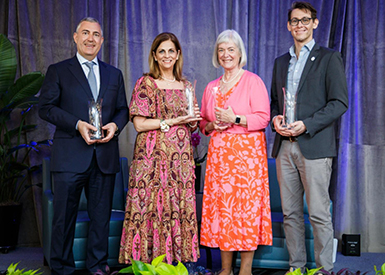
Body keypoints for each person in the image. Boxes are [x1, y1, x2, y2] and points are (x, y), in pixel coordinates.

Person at [39, 17, 129, 274]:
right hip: (70, 156)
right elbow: (46, 108)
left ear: (102, 41)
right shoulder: (58, 70)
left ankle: (97, 266)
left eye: (96, 34)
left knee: (100, 218)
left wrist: (115, 126)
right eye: (85, 33)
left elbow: (123, 109)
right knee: (63, 219)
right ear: (76, 38)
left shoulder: (114, 73)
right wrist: (77, 123)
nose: (91, 38)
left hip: (105, 156)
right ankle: (62, 268)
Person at [270, 2, 349, 272]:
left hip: (314, 146)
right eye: (294, 21)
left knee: (318, 214)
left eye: (305, 20)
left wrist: (307, 125)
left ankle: (324, 270)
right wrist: (275, 118)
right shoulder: (281, 62)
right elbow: (274, 102)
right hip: (285, 148)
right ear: (289, 25)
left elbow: (339, 103)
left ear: (315, 23)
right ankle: (297, 268)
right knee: (290, 215)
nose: (299, 25)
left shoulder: (329, 58)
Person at [119, 32, 201, 265]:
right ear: (154, 56)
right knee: (151, 208)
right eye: (161, 51)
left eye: (171, 51)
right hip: (151, 159)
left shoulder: (186, 85)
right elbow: (139, 124)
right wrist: (171, 122)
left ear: (177, 55)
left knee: (177, 207)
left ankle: (175, 263)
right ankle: (146, 263)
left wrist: (193, 119)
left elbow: (191, 126)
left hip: (180, 162)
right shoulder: (146, 83)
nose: (166, 55)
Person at [199, 29, 272, 275]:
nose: (226, 54)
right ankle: (225, 269)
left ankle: (245, 271)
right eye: (221, 50)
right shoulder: (211, 87)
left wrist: (236, 118)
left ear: (240, 53)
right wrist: (211, 125)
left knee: (245, 213)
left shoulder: (253, 81)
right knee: (223, 212)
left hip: (247, 161)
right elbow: (202, 123)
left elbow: (263, 118)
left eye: (231, 49)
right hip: (220, 159)